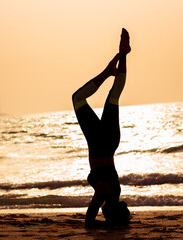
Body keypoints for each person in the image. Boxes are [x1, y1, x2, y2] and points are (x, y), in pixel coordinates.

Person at [72, 28, 131, 227]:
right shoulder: (105, 192)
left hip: (111, 142)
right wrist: (105, 224)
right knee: (77, 98)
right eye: (106, 215)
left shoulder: (115, 192)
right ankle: (107, 72)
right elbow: (89, 221)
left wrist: (111, 220)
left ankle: (124, 54)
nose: (102, 213)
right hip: (98, 143)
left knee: (114, 95)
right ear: (110, 211)